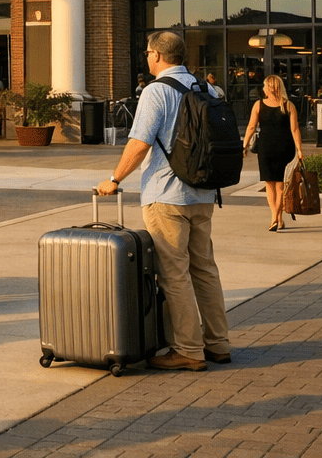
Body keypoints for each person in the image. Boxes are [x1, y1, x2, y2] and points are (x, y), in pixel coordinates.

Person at [97, 31, 231, 371]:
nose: (146, 57)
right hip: (203, 192)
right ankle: (217, 344)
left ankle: (188, 349)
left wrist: (114, 179)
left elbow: (140, 143)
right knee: (204, 269)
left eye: (147, 53)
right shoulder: (208, 89)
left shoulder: (156, 91)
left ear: (156, 56)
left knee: (175, 274)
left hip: (167, 194)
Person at [243, 75, 303, 231]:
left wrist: (244, 145)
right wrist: (299, 149)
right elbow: (295, 129)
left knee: (269, 185)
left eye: (264, 86)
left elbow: (251, 127)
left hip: (266, 147)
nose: (263, 89)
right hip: (285, 147)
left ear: (269, 88)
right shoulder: (288, 105)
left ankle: (274, 218)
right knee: (281, 186)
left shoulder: (258, 105)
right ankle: (278, 219)